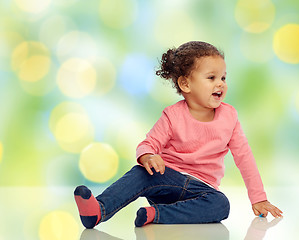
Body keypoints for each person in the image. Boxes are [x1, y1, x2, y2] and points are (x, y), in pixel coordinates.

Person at [74, 41, 283, 228]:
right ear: (185, 84)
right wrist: (148, 156)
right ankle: (99, 210)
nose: (220, 83)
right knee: (140, 173)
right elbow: (149, 143)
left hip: (202, 189)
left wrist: (258, 198)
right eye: (211, 78)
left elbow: (244, 158)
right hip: (167, 179)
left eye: (223, 77)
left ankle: (156, 215)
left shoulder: (229, 117)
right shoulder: (173, 115)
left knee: (221, 205)